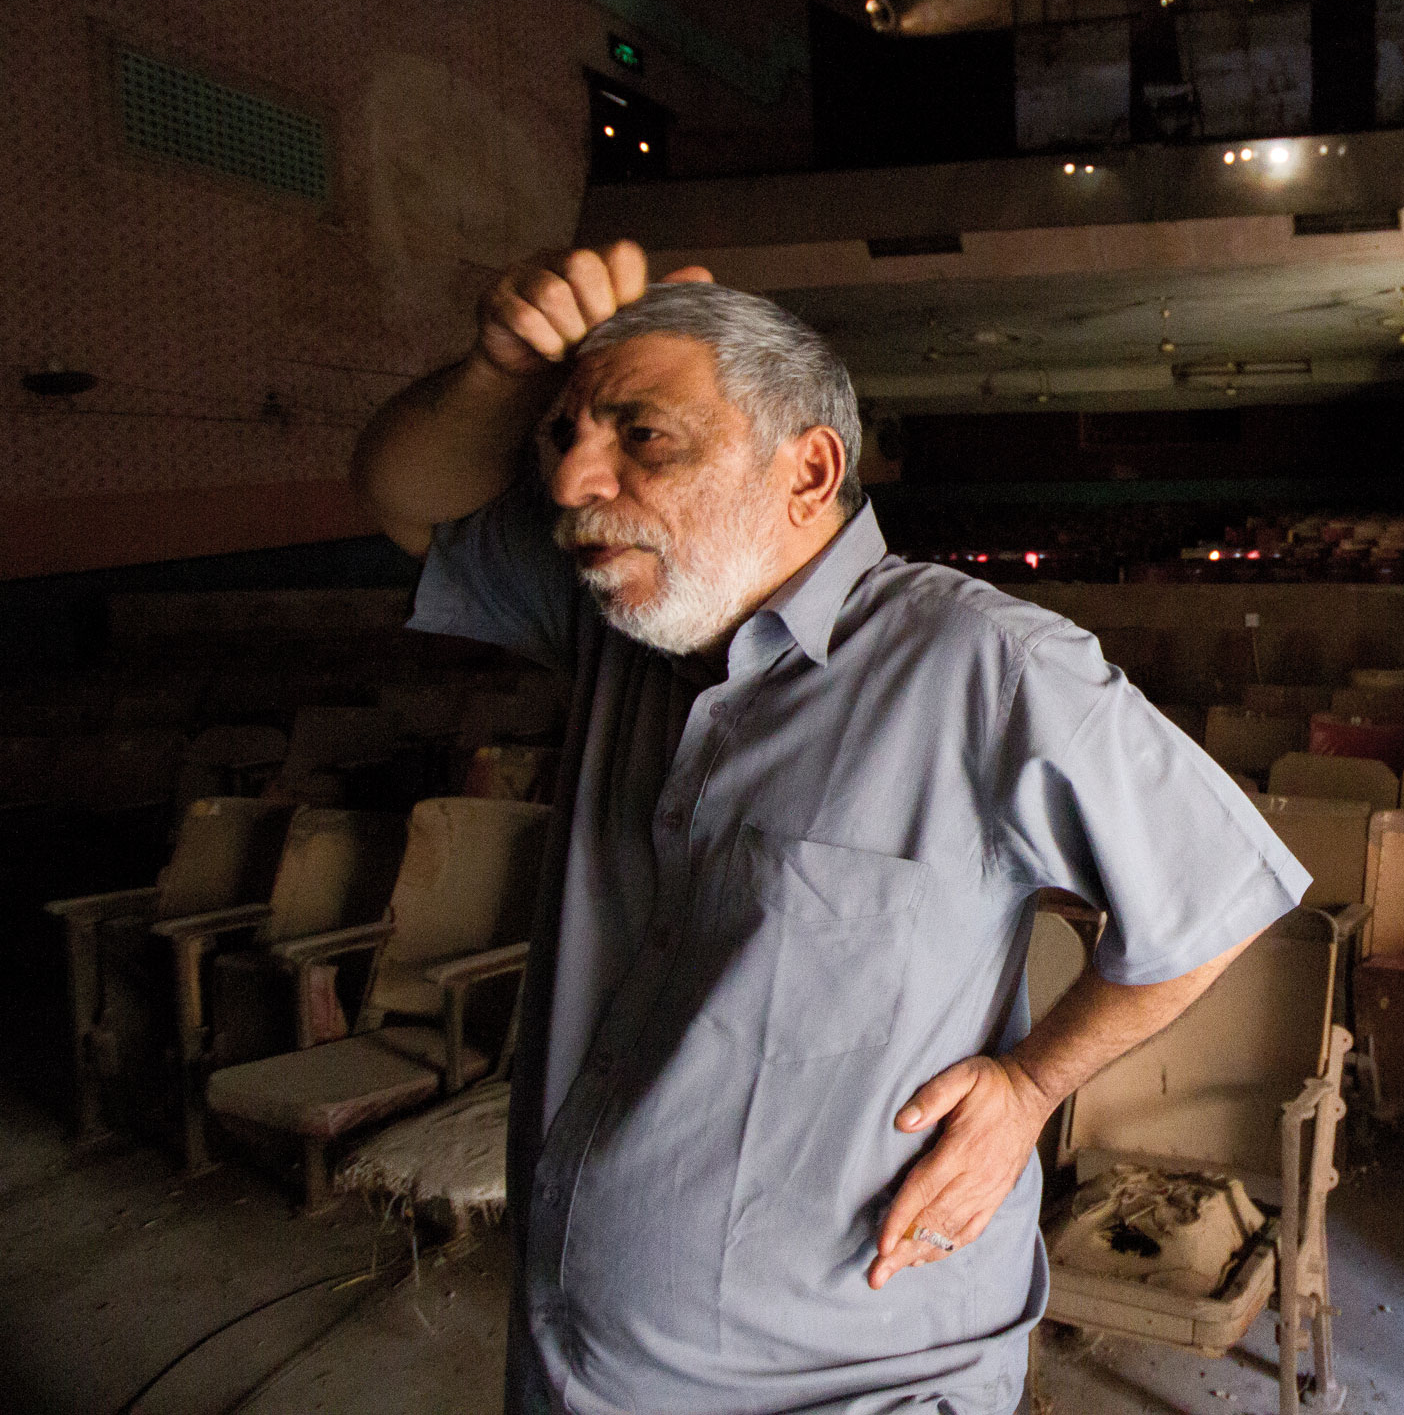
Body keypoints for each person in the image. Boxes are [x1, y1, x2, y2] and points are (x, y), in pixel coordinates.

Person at [352, 242, 1309, 1414]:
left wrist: (1028, 1085)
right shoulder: (627, 620)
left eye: (640, 436)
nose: (569, 484)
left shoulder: (983, 665)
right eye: (563, 438)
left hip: (852, 1382)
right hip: (577, 1360)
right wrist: (503, 367)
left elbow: (1215, 898)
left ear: (807, 471)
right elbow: (398, 496)